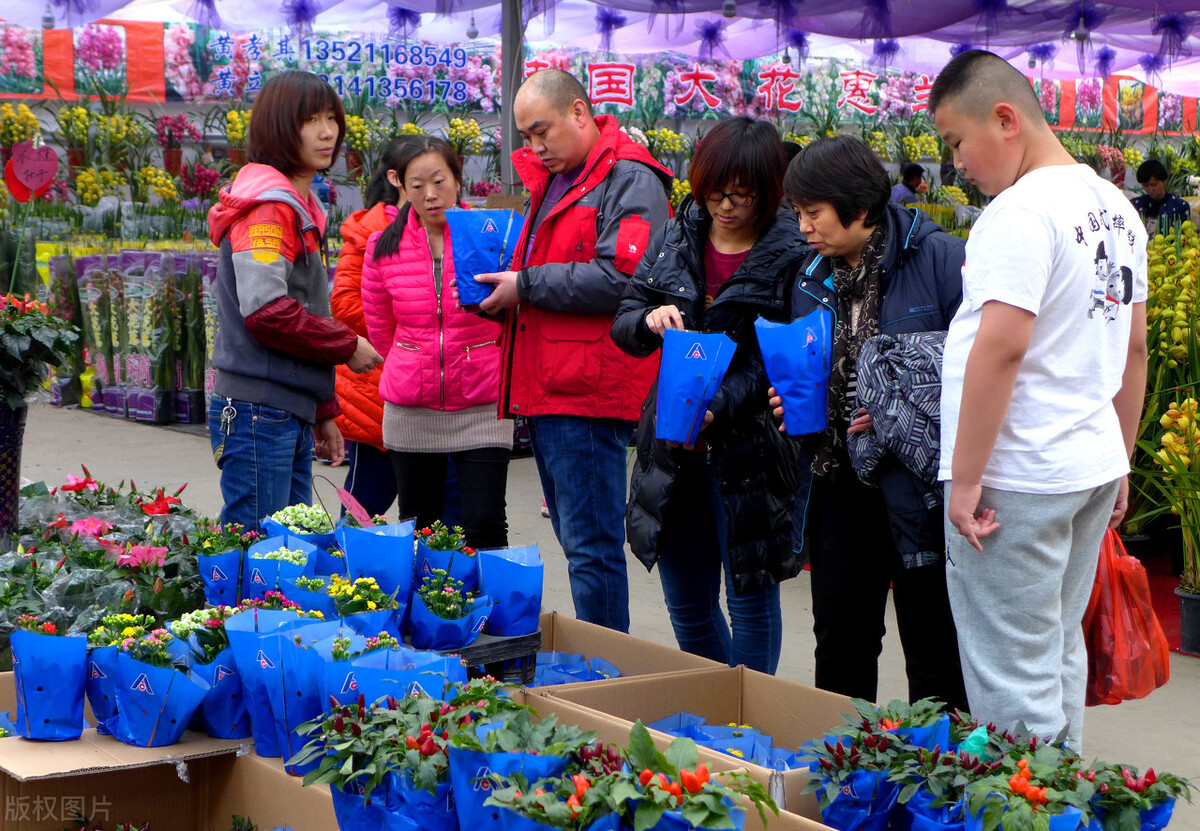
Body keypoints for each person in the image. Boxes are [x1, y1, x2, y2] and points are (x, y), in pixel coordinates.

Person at [930, 50, 1147, 748]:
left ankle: (1028, 799)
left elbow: (1002, 347)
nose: (956, 163)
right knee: (1055, 647)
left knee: (1012, 674)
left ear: (1005, 120)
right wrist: (1121, 459)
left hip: (1018, 473)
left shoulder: (1020, 211)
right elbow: (1133, 350)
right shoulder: (1118, 209)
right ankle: (1067, 791)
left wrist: (967, 480)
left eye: (957, 142)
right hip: (1086, 463)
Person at [472, 69, 673, 631]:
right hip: (552, 383)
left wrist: (524, 285)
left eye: (542, 131)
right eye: (526, 137)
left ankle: (604, 667)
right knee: (576, 539)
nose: (535, 147)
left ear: (580, 113)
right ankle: (598, 662)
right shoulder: (559, 179)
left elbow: (624, 279)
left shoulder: (629, 179)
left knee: (591, 547)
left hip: (586, 389)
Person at [775, 135, 970, 711]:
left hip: (918, 487)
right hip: (837, 479)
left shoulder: (941, 259)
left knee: (932, 649)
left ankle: (935, 764)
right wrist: (795, 399)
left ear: (859, 208)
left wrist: (894, 402)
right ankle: (845, 760)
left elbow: (978, 369)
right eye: (797, 213)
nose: (803, 227)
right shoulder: (811, 275)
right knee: (840, 643)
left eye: (813, 213)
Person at [612, 118, 805, 674]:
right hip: (674, 448)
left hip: (750, 453)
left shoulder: (792, 253)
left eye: (741, 195)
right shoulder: (678, 234)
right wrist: (648, 320)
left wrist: (719, 405)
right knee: (688, 605)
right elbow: (624, 319)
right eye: (715, 192)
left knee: (750, 603)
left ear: (768, 190)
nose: (725, 206)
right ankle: (721, 710)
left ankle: (749, 715)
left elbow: (783, 355)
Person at [207, 70, 382, 531]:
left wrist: (321, 408)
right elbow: (267, 312)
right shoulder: (268, 209)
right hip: (258, 411)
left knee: (288, 549)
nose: (327, 132)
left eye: (332, 118)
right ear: (280, 127)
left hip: (281, 409)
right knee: (260, 549)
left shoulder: (296, 205)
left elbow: (305, 304)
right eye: (310, 120)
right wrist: (347, 343)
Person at [361, 137, 511, 549]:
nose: (430, 194)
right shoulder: (382, 247)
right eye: (417, 185)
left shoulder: (492, 236)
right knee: (422, 527)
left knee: (485, 525)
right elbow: (381, 329)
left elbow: (514, 313)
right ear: (400, 185)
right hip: (412, 407)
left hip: (483, 402)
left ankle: (486, 595)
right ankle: (434, 594)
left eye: (439, 181)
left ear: (458, 180)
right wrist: (413, 361)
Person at [330, 138, 414, 518]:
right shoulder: (369, 230)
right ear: (396, 178)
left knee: (437, 512)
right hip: (378, 389)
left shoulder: (456, 229)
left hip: (439, 394)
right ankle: (345, 555)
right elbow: (345, 304)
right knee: (366, 501)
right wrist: (412, 324)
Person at [1131, 159, 1191, 233]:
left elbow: (1185, 235)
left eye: (1154, 185)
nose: (1150, 189)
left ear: (1163, 181)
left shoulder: (1180, 206)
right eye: (1145, 186)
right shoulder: (1135, 205)